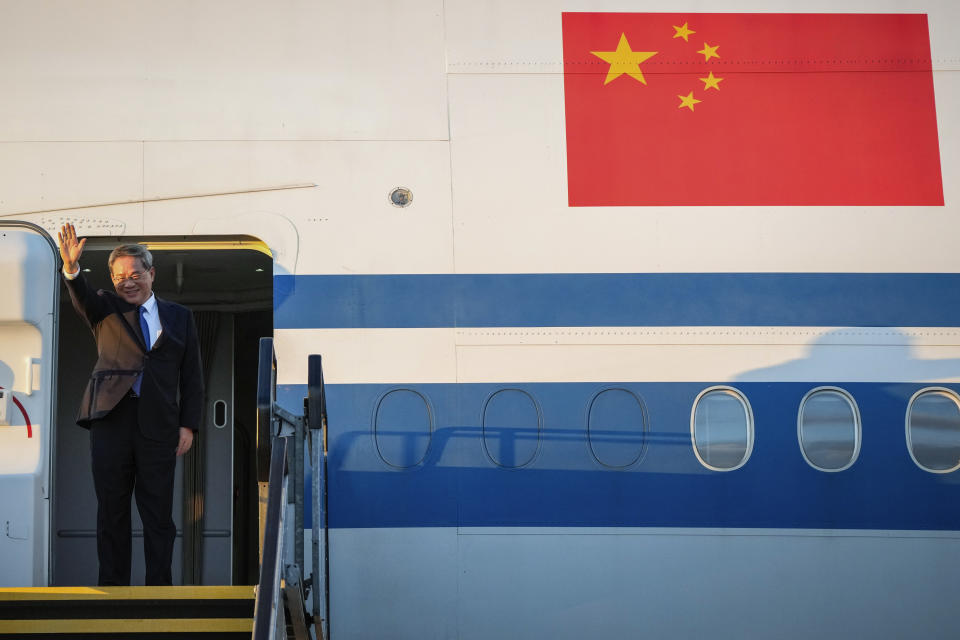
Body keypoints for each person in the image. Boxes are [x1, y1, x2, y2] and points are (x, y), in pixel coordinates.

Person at [57, 223, 203, 586]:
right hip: (111, 420)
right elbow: (81, 295)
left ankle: (159, 589)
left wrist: (188, 425)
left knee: (158, 515)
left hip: (160, 425)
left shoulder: (180, 317)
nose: (128, 282)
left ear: (151, 274)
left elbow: (192, 376)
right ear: (112, 278)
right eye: (120, 275)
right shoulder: (104, 307)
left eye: (135, 274)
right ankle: (113, 588)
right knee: (112, 511)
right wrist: (72, 270)